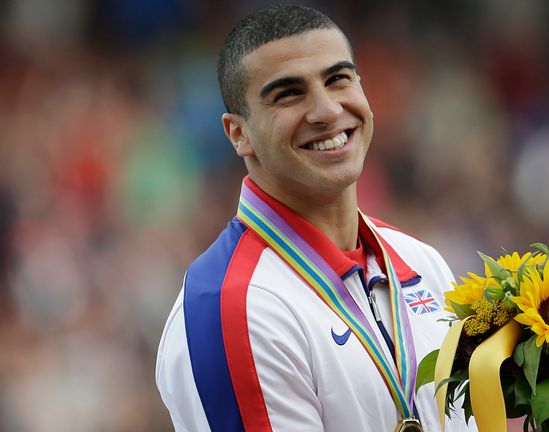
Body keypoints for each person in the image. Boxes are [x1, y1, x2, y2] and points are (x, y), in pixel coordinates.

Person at [156, 5, 475, 431]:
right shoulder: (234, 308)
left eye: (338, 79)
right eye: (289, 94)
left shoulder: (423, 264)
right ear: (238, 133)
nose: (326, 110)